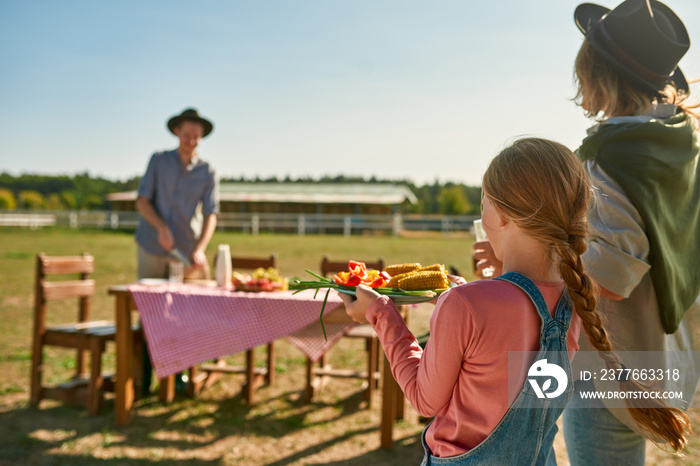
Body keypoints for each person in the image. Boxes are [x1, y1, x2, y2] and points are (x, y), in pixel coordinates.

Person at [344, 137, 688, 465]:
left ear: (502, 215)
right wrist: (463, 293)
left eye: (484, 203)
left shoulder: (465, 305)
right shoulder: (574, 300)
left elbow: (423, 398)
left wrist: (379, 313)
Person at [473, 1, 700, 463]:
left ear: (595, 74)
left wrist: (518, 262)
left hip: (613, 366)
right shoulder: (682, 145)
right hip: (672, 348)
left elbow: (608, 281)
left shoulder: (610, 162)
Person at [135, 107, 220, 394]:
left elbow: (211, 213)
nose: (191, 141)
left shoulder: (207, 171)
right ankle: (143, 376)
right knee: (149, 311)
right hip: (152, 246)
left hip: (185, 251)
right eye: (186, 135)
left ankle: (180, 374)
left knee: (185, 313)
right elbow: (142, 201)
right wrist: (160, 226)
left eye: (196, 137)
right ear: (177, 133)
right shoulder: (159, 161)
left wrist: (200, 248)